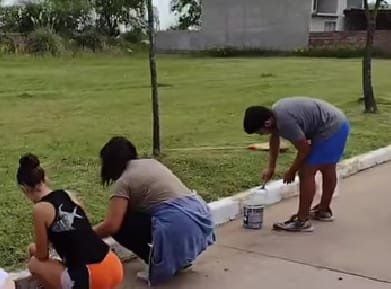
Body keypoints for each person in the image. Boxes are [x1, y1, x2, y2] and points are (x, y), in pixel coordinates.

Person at [94, 136, 215, 285]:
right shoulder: (151, 163)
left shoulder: (123, 181)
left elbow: (112, 225)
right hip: (200, 216)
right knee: (138, 216)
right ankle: (181, 261)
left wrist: (85, 235)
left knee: (122, 226)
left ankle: (154, 262)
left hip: (178, 225)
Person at [243, 97, 350, 232]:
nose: (260, 135)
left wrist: (292, 170)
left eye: (259, 132)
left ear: (267, 122)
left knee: (306, 172)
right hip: (336, 123)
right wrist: (271, 168)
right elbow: (274, 139)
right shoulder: (276, 115)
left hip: (332, 128)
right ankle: (323, 210)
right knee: (327, 167)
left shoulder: (285, 122)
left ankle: (302, 221)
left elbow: (304, 149)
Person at [17, 154, 123, 289]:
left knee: (34, 263)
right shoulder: (67, 194)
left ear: (24, 189)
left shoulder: (40, 209)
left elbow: (42, 255)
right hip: (113, 264)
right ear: (44, 178)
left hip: (92, 276)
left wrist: (33, 248)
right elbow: (81, 228)